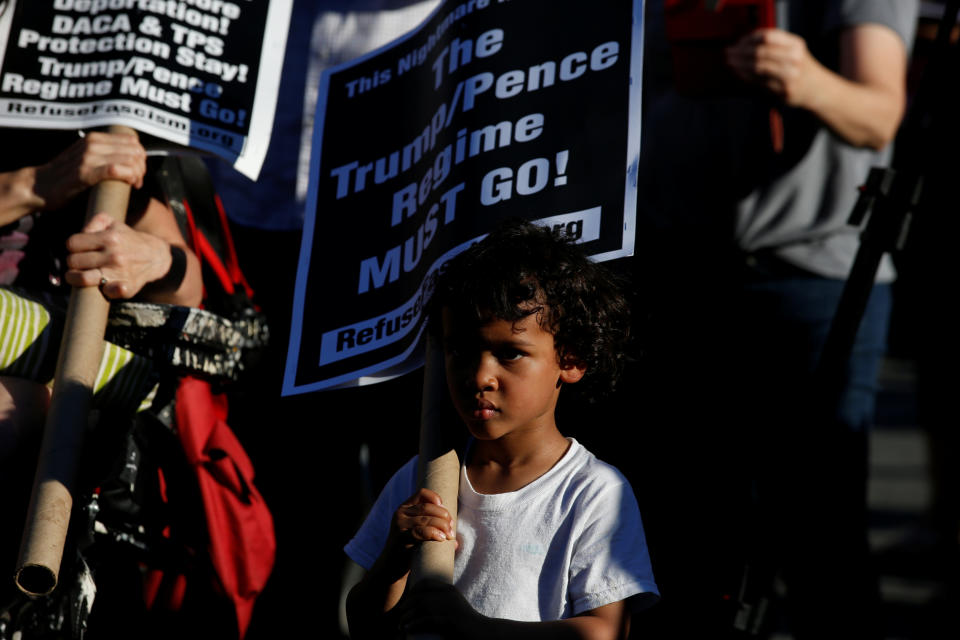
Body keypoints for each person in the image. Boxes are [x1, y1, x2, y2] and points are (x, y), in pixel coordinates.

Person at [632, 1, 918, 637]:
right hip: (675, 268)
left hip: (810, 276)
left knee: (820, 538)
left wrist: (809, 81)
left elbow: (878, 114)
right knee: (685, 536)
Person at [343, 221, 658, 639]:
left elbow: (604, 632)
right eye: (459, 350)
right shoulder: (423, 476)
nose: (480, 376)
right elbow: (364, 625)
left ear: (572, 359)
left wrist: (476, 629)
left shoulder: (593, 492)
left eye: (509, 353)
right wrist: (392, 562)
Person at [0, 128, 202, 466]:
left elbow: (189, 290)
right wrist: (34, 185)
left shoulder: (101, 133)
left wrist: (153, 259)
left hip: (61, 387)